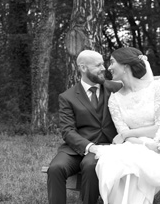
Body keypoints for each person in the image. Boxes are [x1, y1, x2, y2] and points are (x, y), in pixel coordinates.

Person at [94, 47, 160, 204]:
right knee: (112, 161)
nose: (109, 67)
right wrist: (140, 141)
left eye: (112, 62)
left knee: (135, 163)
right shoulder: (114, 99)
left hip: (158, 148)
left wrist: (128, 135)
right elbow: (122, 132)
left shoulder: (156, 88)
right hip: (134, 145)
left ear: (125, 66)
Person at [47, 50, 122, 204]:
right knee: (55, 168)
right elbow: (67, 131)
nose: (104, 68)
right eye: (98, 65)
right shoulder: (67, 97)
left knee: (90, 165)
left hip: (106, 147)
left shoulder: (116, 88)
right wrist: (89, 146)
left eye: (103, 63)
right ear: (83, 68)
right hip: (75, 149)